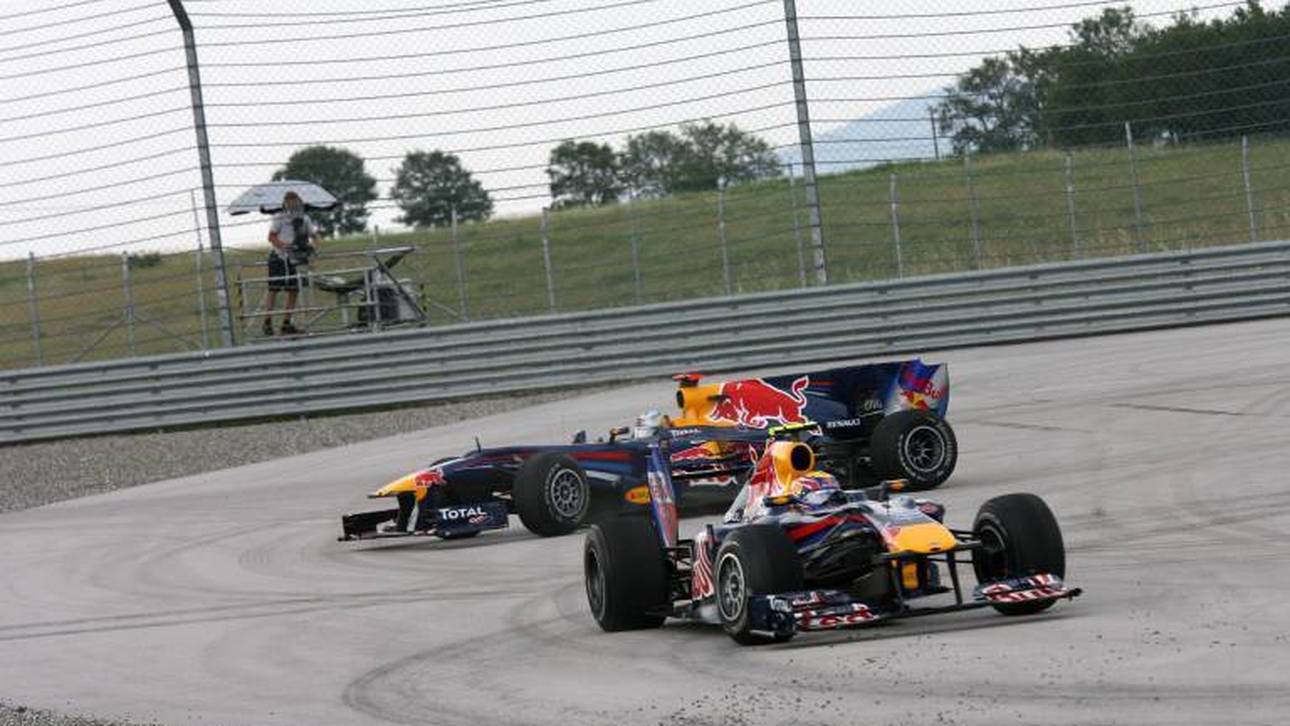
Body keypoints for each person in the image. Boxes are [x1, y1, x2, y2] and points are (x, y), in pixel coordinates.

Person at [263, 191, 321, 336]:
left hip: (295, 260)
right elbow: (271, 237)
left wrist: (313, 246)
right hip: (278, 258)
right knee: (274, 289)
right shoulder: (279, 217)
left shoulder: (305, 219)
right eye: (290, 203)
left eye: (296, 202)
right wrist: (285, 247)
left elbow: (315, 236)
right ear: (285, 204)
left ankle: (286, 323)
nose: (293, 205)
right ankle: (267, 321)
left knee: (293, 291)